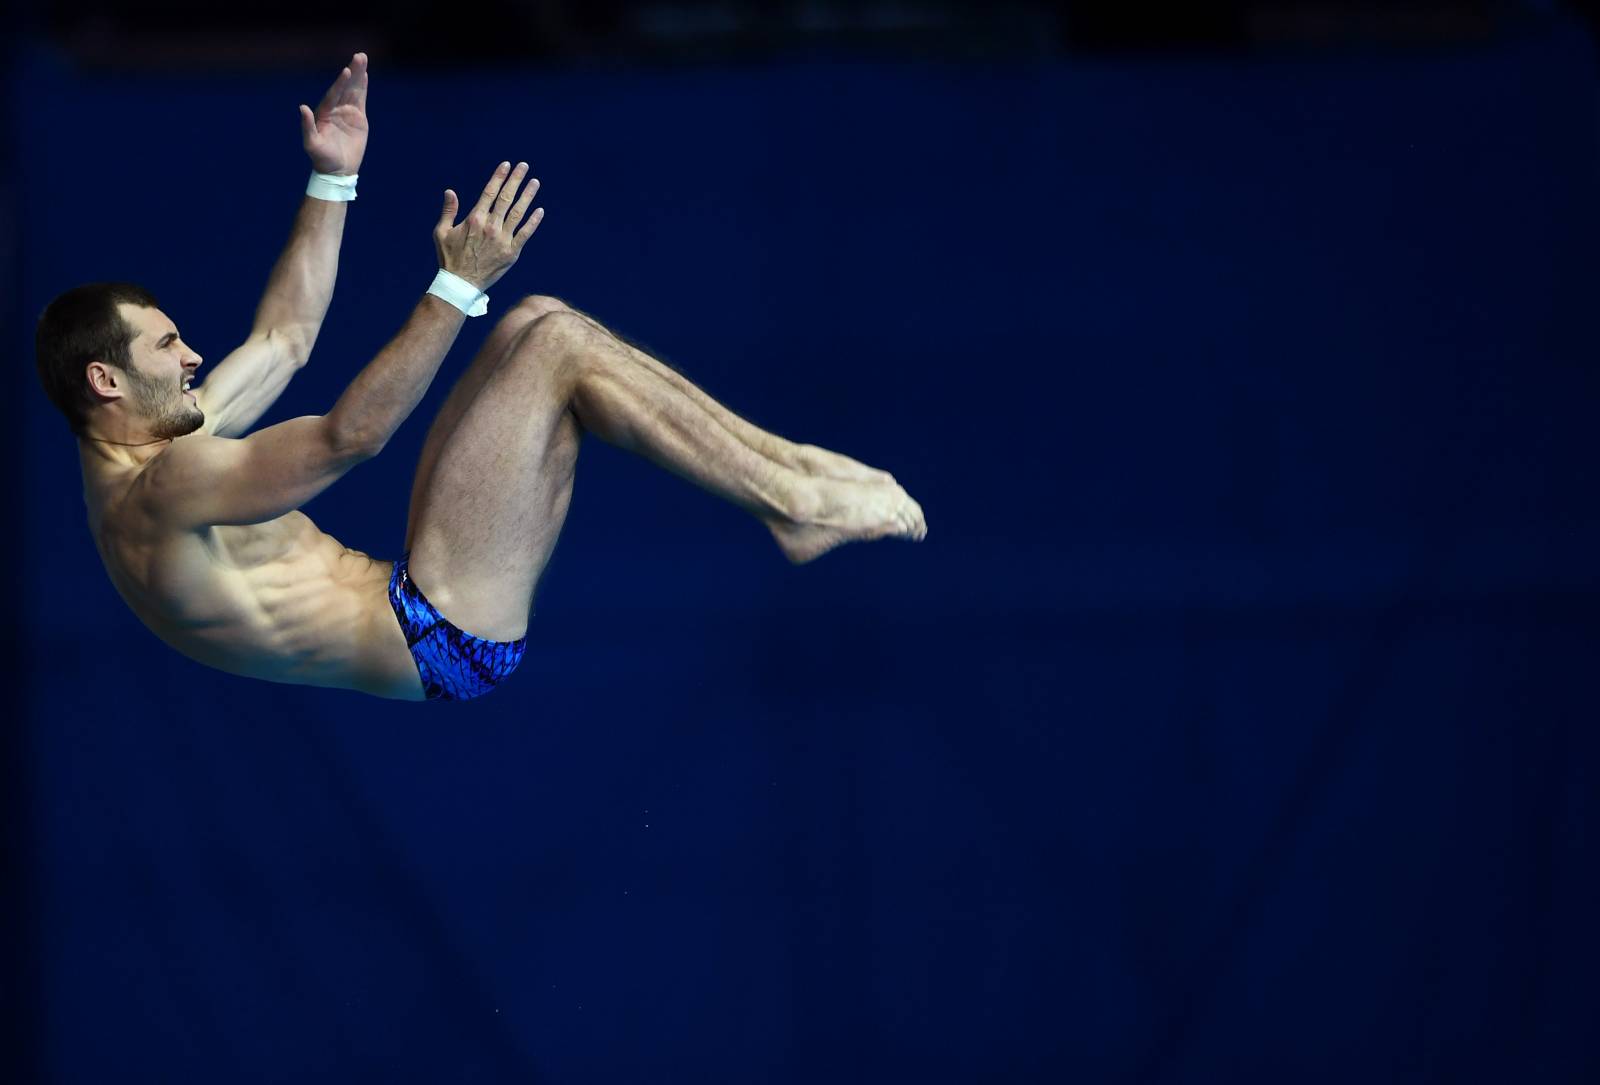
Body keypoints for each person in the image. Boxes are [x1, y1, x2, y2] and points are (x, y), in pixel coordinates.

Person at [33, 54, 926, 702]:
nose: (193, 358)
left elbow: (285, 337)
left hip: (417, 589)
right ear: (106, 381)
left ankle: (795, 480)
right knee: (554, 347)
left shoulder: (156, 450)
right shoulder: (164, 486)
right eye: (169, 347)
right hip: (441, 630)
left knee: (540, 321)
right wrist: (454, 286)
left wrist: (331, 180)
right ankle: (794, 499)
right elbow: (352, 437)